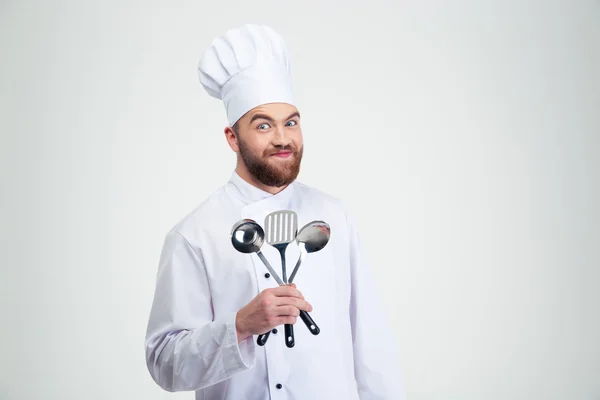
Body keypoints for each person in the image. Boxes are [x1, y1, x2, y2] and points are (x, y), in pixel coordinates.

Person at [144, 24, 406, 400]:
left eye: (291, 123)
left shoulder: (333, 216)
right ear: (232, 138)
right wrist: (238, 327)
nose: (283, 138)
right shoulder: (195, 234)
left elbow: (371, 345)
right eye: (263, 125)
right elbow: (164, 362)